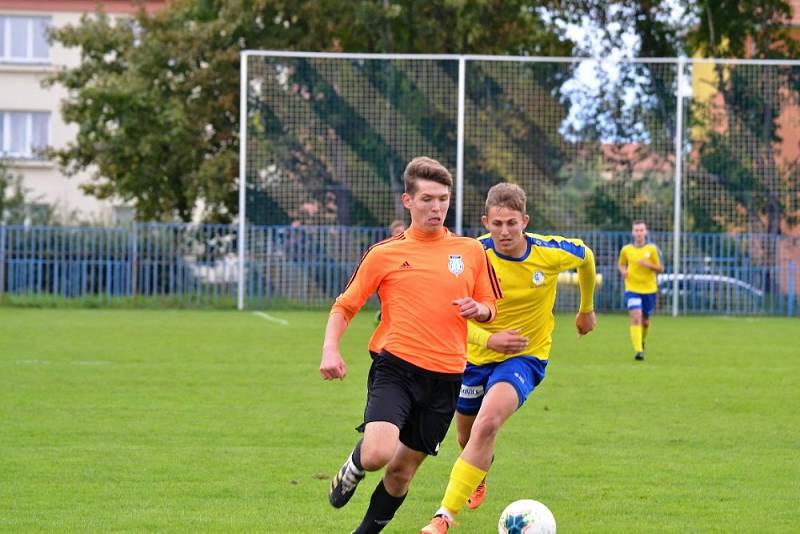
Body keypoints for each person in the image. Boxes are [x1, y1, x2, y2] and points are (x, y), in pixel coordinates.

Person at [320, 156, 501, 534]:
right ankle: (354, 465)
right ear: (408, 201)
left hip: (448, 378)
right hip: (397, 368)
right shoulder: (384, 253)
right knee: (377, 454)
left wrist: (479, 310)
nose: (437, 208)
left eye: (443, 199)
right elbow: (345, 305)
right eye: (427, 199)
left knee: (401, 474)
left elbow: (491, 307)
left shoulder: (471, 252)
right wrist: (330, 350)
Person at [420, 182, 597, 534]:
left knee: (487, 424)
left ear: (525, 221)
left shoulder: (550, 252)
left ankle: (443, 517)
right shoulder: (471, 256)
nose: (505, 231)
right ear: (486, 222)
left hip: (525, 357)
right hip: (473, 356)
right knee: (467, 438)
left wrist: (586, 309)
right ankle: (479, 471)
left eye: (512, 223)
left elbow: (586, 258)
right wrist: (490, 338)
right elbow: (450, 316)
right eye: (497, 223)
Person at [617, 220, 664, 361]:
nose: (639, 233)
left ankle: (641, 341)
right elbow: (621, 264)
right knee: (636, 316)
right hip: (632, 288)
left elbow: (661, 269)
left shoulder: (652, 249)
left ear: (646, 232)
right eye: (636, 230)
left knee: (645, 322)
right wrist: (623, 271)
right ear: (632, 232)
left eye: (641, 230)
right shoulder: (626, 250)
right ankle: (638, 351)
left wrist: (647, 264)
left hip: (649, 289)